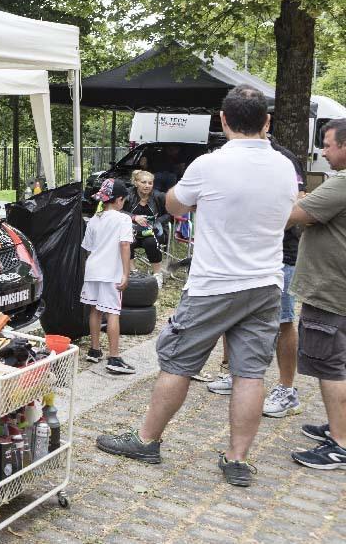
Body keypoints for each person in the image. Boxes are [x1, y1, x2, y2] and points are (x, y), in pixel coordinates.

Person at [96, 85, 298, 487]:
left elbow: (173, 206)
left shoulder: (208, 165)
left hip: (213, 284)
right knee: (250, 373)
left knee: (178, 362)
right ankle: (237, 460)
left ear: (223, 121)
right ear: (267, 122)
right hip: (265, 284)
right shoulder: (284, 167)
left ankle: (146, 440)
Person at [202, 137, 307, 410]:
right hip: (237, 257)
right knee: (234, 317)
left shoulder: (283, 160)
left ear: (264, 125)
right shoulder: (230, 158)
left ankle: (287, 389)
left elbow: (298, 204)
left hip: (279, 256)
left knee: (283, 321)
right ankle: (235, 374)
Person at [285, 117, 346, 470]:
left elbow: (294, 214)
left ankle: (339, 443)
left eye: (328, 144)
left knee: (330, 367)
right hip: (338, 290)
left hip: (329, 290)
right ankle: (339, 427)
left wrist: (303, 202)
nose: (323, 151)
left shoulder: (339, 186)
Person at [81, 178, 136, 374]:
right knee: (113, 312)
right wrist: (125, 273)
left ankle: (94, 350)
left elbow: (87, 249)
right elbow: (124, 245)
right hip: (111, 273)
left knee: (95, 310)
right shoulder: (123, 219)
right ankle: (114, 358)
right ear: (119, 199)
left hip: (92, 270)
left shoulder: (94, 219)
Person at [123, 169, 171, 283]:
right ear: (136, 183)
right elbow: (117, 210)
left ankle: (157, 274)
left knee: (150, 242)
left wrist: (157, 222)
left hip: (153, 231)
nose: (147, 185)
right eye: (143, 182)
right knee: (126, 241)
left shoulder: (159, 196)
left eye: (150, 183)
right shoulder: (127, 194)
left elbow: (169, 213)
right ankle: (133, 271)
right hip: (131, 231)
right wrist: (134, 217)